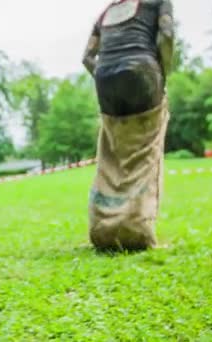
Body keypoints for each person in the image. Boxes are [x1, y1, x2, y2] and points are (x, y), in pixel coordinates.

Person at [82, 0, 175, 251]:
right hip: (142, 72)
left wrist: (106, 78)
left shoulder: (106, 12)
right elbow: (166, 37)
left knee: (112, 157)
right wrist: (162, 75)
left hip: (105, 79)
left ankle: (104, 229)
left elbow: (87, 57)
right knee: (146, 152)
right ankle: (138, 232)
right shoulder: (157, 3)